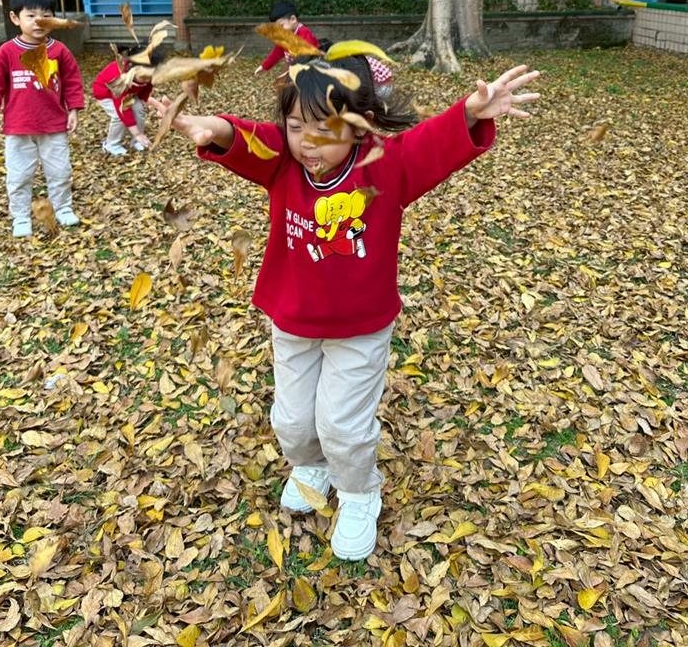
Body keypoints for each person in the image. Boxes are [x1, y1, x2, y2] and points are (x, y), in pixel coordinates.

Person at [150, 52, 540, 562]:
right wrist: (212, 127)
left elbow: (430, 143)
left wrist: (469, 111)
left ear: (360, 126)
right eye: (296, 126)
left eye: (325, 129)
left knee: (342, 424)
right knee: (292, 420)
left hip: (359, 327)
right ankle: (310, 466)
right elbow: (245, 137)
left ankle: (358, 493)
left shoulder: (386, 165)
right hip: (293, 319)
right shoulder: (283, 161)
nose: (308, 142)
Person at [0, 0, 84, 238]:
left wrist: (74, 109)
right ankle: (20, 217)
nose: (39, 22)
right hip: (18, 127)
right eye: (31, 16)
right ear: (15, 18)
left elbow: (72, 82)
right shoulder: (6, 52)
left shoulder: (59, 51)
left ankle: (62, 208)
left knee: (60, 171)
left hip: (54, 125)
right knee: (19, 175)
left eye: (45, 16)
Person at [92, 46, 163, 155]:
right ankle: (112, 144)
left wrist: (145, 101)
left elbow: (146, 89)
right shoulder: (120, 78)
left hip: (128, 94)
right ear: (132, 70)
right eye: (143, 77)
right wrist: (137, 133)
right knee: (118, 116)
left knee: (139, 108)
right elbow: (123, 109)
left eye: (150, 77)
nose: (147, 80)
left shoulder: (147, 74)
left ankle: (137, 141)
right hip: (106, 93)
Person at [254, 0, 319, 76]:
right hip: (295, 72)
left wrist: (290, 72)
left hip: (310, 73)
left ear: (293, 19)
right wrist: (264, 66)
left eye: (281, 26)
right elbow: (276, 53)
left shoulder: (304, 34)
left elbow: (306, 58)